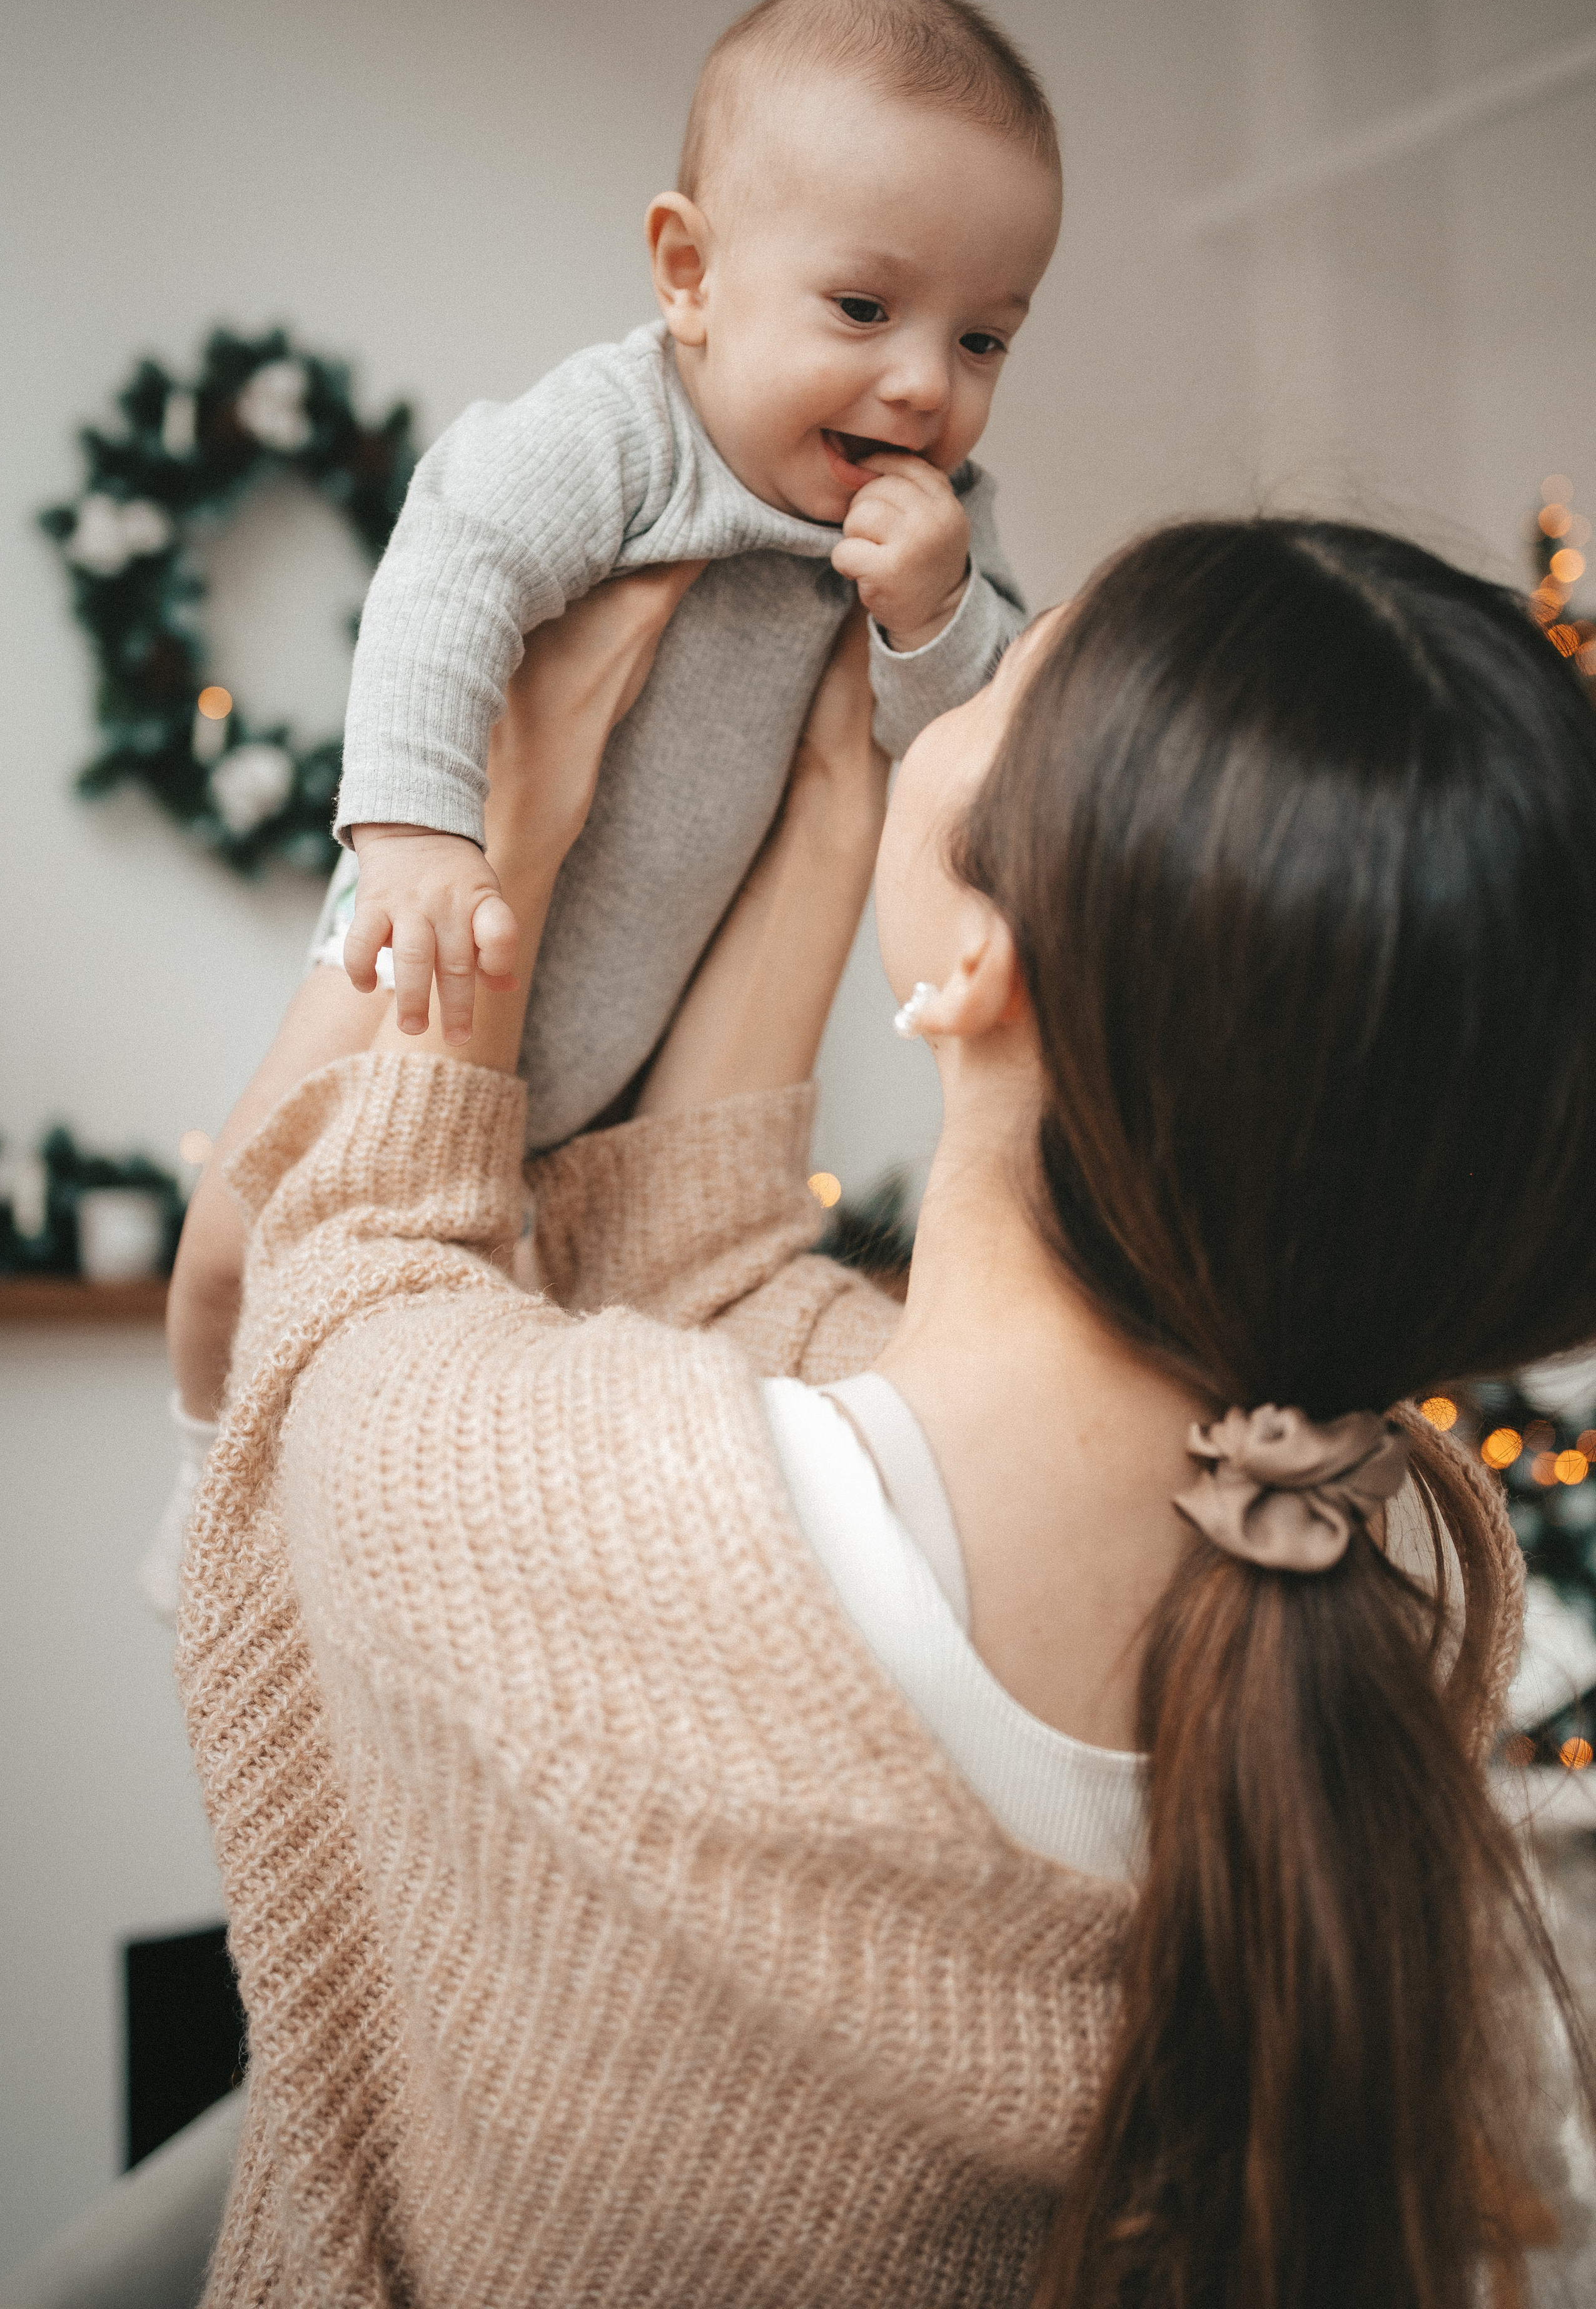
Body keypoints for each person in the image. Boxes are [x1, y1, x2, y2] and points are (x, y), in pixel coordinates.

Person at [179, 522, 1596, 2308]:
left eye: (1003, 680)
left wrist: (501, 830)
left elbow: (341, 1292)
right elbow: (733, 1304)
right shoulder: (1373, 1580)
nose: (965, 683)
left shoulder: (618, 1532)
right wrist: (837, 833)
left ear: (991, 955)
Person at [153, 0, 1060, 1521]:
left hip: (646, 1036)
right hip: (435, 938)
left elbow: (953, 748)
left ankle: (319, 1520)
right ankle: (206, 1491)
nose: (922, 383)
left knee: (528, 1319)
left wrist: (928, 610)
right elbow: (450, 573)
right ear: (689, 273)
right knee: (245, 1241)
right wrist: (424, 838)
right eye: (864, 309)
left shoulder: (931, 531)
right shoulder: (622, 434)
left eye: (982, 341)